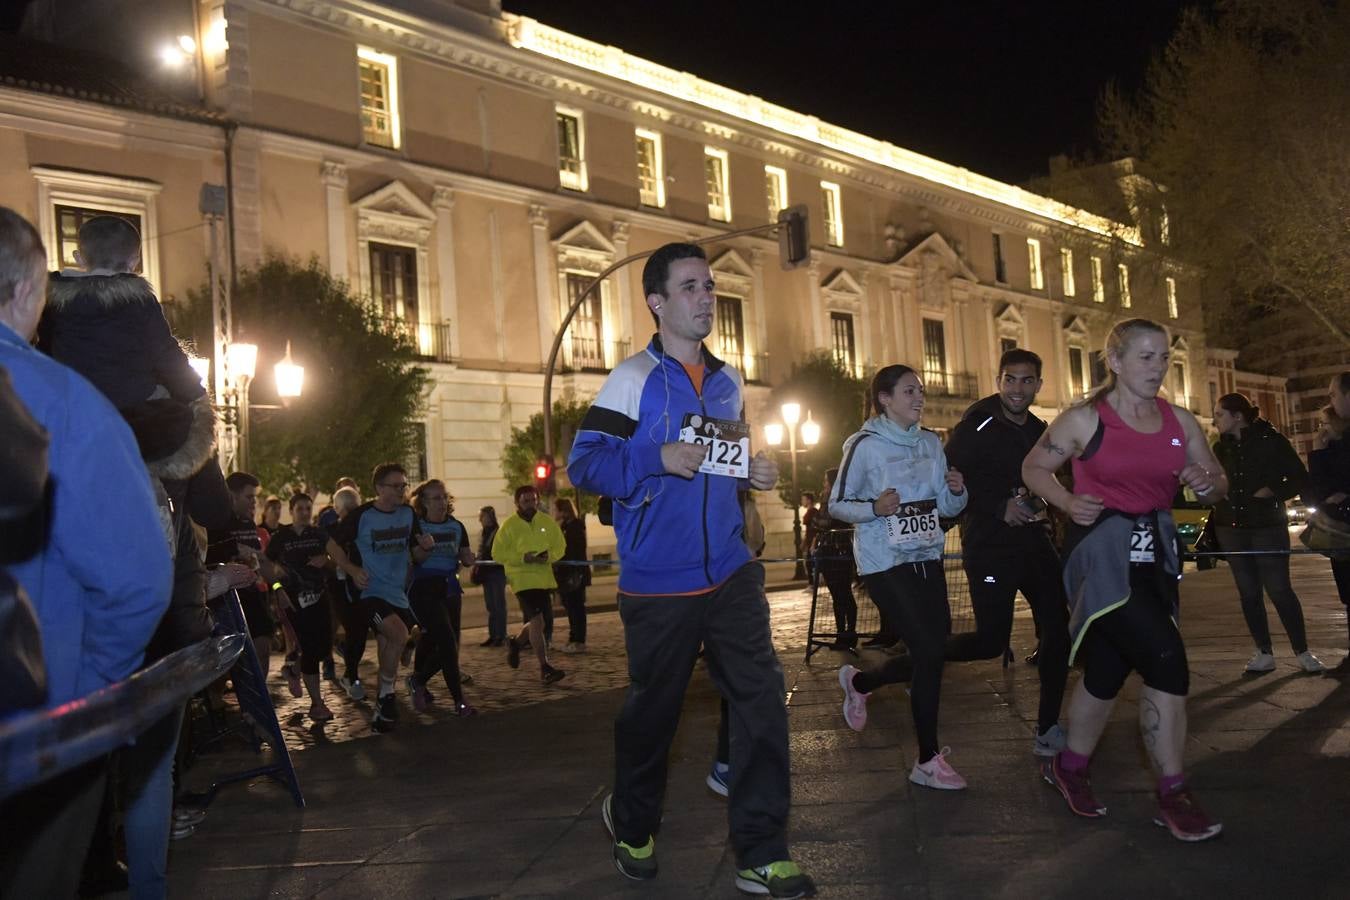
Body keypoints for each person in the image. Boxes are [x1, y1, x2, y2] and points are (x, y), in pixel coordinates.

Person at [569, 242, 814, 899]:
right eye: (690, 288)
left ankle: (762, 852)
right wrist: (655, 455)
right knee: (655, 713)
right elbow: (585, 465)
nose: (706, 297)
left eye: (709, 286)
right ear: (657, 302)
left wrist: (754, 475)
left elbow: (724, 462)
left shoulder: (729, 381)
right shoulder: (631, 379)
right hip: (659, 579)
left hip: (731, 570)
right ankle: (632, 818)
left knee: (761, 699)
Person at [0, 206, 172, 898]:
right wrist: (86, 695)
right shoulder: (65, 405)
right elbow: (136, 582)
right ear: (27, 291)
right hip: (33, 738)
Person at [1023, 317, 1228, 842]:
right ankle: (1173, 792)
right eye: (1145, 356)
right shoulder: (1084, 421)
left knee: (1109, 670)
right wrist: (1068, 501)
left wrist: (1206, 484)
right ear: (1114, 361)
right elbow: (1033, 468)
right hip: (1100, 553)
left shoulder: (1181, 421)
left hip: (1154, 554)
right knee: (1166, 658)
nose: (1157, 367)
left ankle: (1068, 767)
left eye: (1163, 357)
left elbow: (1216, 484)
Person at [829, 364, 969, 790]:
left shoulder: (931, 442)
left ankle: (861, 681)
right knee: (927, 649)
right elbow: (837, 503)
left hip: (926, 555)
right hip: (883, 561)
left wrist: (957, 491)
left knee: (934, 649)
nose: (919, 398)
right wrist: (875, 508)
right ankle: (927, 759)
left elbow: (945, 508)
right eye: (909, 391)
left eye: (920, 391)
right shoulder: (865, 445)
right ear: (885, 399)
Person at [942, 348, 1071, 756]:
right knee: (989, 642)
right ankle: (904, 662)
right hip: (989, 547)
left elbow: (1049, 476)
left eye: (1027, 380)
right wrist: (999, 506)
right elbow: (948, 481)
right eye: (1010, 379)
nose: (1018, 388)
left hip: (1034, 543)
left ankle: (1048, 727)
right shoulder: (974, 426)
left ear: (1038, 385)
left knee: (1059, 629)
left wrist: (1047, 506)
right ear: (998, 381)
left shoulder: (1039, 429)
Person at [1211, 392, 1323, 674]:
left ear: (1237, 416)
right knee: (1248, 592)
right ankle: (1263, 651)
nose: (1215, 421)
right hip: (1231, 526)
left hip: (1266, 525)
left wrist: (1272, 491)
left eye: (1219, 414)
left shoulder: (1270, 440)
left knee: (1279, 589)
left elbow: (1298, 476)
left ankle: (1302, 651)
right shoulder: (1220, 447)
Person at [326, 463, 430, 733]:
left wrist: (425, 549)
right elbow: (330, 544)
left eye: (404, 485)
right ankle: (387, 696)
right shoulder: (362, 515)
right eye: (396, 486)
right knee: (398, 633)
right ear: (379, 489)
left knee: (388, 644)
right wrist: (351, 569)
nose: (401, 490)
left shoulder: (408, 514)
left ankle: (383, 705)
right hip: (368, 592)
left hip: (397, 592)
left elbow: (417, 556)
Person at [405, 479, 477, 716]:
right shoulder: (418, 527)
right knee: (446, 640)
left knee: (437, 641)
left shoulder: (456, 526)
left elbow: (465, 556)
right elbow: (417, 559)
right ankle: (459, 700)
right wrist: (424, 547)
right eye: (435, 498)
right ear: (423, 502)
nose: (442, 502)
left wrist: (469, 558)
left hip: (449, 587)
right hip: (423, 587)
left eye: (444, 497)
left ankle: (418, 682)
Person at [265, 493, 336, 721]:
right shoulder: (281, 537)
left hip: (320, 597)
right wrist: (278, 589)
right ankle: (317, 704)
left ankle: (293, 670)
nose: (305, 513)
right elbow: (267, 568)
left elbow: (338, 560)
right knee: (310, 649)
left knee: (324, 648)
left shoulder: (318, 534)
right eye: (300, 509)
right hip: (293, 601)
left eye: (308, 508)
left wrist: (326, 560)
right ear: (292, 510)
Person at [205, 471, 278, 680]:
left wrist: (278, 589)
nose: (254, 503)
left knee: (263, 645)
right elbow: (208, 554)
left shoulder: (249, 525)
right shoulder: (216, 523)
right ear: (232, 496)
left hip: (252, 593)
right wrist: (235, 549)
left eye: (255, 497)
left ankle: (257, 706)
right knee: (227, 657)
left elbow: (259, 563)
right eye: (249, 497)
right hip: (225, 596)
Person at [493, 485, 567, 684]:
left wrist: (548, 556)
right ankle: (545, 668)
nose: (530, 504)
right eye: (526, 501)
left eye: (533, 500)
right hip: (522, 580)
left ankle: (516, 644)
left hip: (543, 579)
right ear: (517, 502)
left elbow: (560, 546)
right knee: (537, 622)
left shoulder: (547, 522)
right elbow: (497, 553)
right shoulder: (509, 526)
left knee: (540, 622)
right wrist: (523, 558)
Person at [1308, 372, 1350, 663]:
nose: (1330, 400)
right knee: (1347, 592)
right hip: (1341, 528)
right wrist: (1319, 452)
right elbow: (1316, 493)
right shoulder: (1334, 443)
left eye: (1334, 394)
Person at [327, 486, 369, 700]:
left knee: (359, 632)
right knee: (355, 630)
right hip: (341, 587)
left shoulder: (361, 524)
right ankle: (350, 676)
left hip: (359, 585)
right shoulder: (336, 529)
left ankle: (350, 673)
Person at [813, 468, 857, 650]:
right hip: (831, 552)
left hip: (837, 552)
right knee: (838, 595)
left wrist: (816, 518)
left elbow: (827, 523)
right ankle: (842, 634)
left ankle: (849, 633)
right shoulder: (832, 498)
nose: (824, 484)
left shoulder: (836, 499)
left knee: (843, 594)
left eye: (826, 481)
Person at [554, 497, 592, 654]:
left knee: (576, 607)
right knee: (570, 607)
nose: (554, 513)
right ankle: (573, 637)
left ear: (563, 511)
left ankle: (579, 640)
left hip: (575, 573)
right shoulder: (564, 526)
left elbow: (574, 550)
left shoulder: (575, 526)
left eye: (556, 509)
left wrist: (561, 559)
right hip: (566, 572)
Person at [476, 506, 508, 647]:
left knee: (498, 605)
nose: (483, 520)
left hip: (496, 571)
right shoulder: (484, 533)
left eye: (486, 517)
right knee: (490, 605)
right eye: (482, 517)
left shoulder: (498, 532)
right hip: (486, 572)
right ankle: (493, 634)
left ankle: (501, 635)